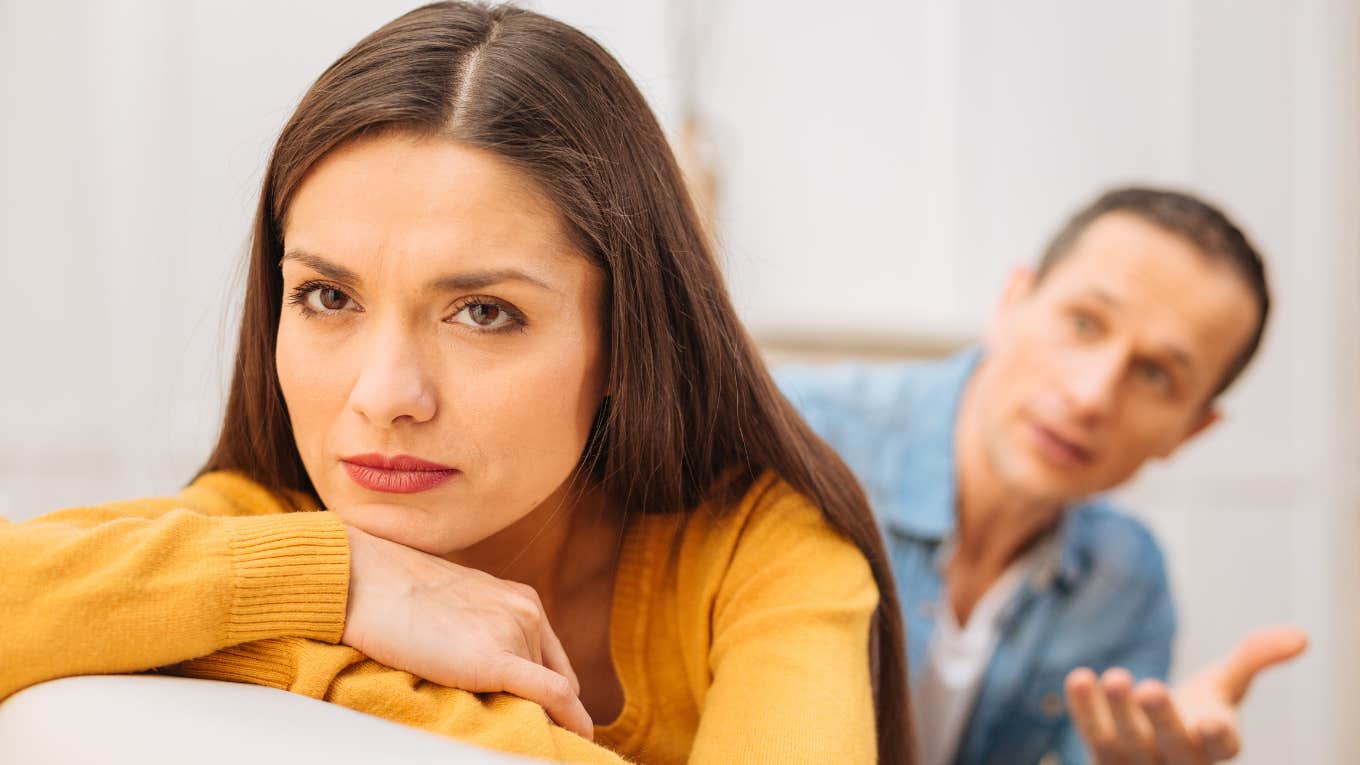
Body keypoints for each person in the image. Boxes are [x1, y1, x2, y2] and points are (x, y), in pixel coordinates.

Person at [0, 3, 913, 763]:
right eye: (326, 295)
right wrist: (341, 581)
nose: (386, 393)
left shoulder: (760, 552)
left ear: (626, 340)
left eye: (482, 312)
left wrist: (271, 659)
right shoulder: (266, 532)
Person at [777, 187, 1308, 765]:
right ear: (1012, 303)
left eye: (1156, 375)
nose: (1090, 396)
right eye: (1084, 323)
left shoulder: (1126, 579)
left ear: (1189, 432)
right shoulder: (794, 441)